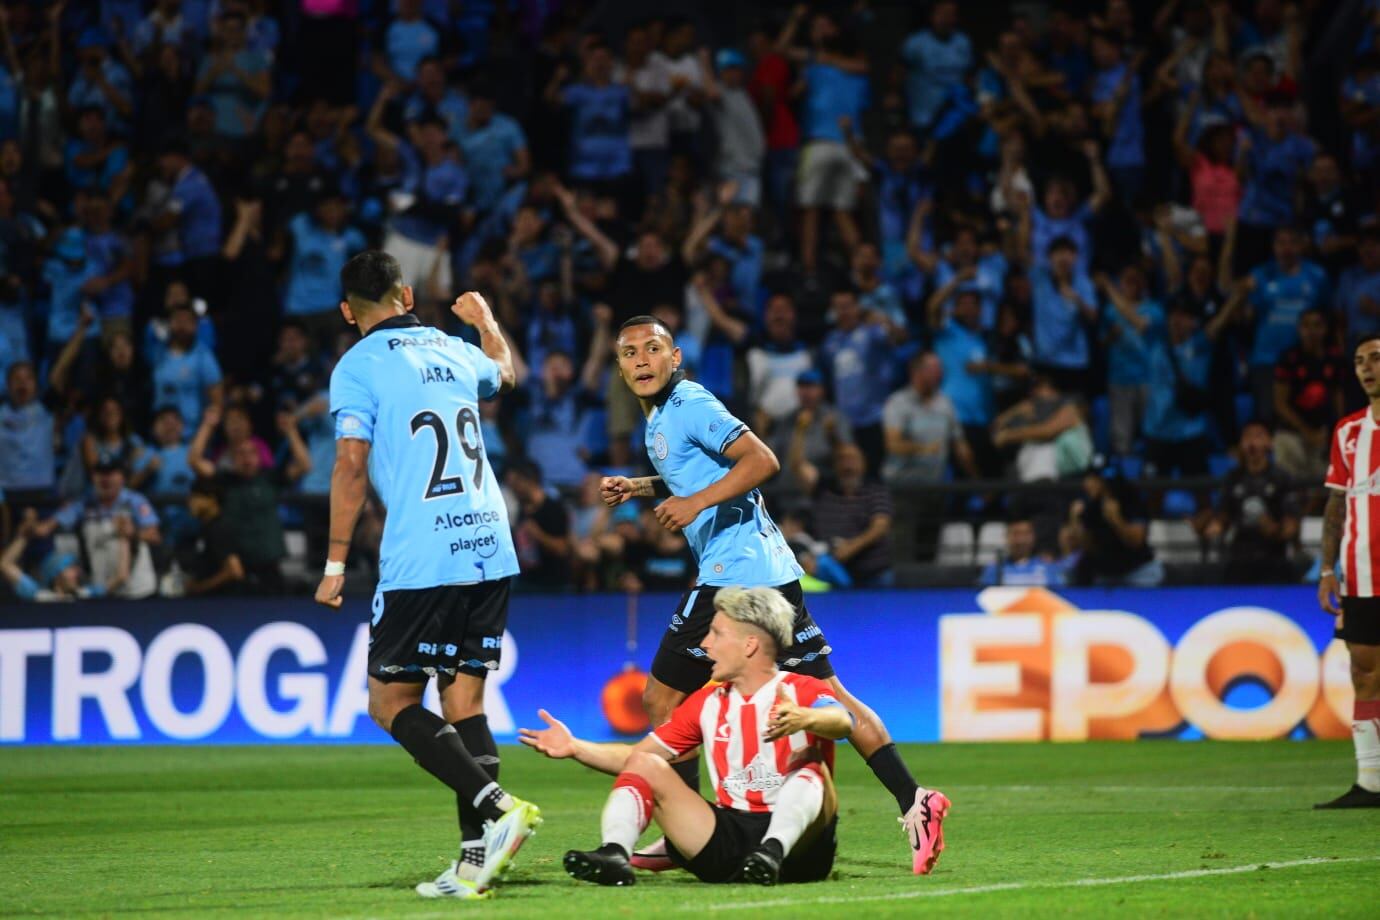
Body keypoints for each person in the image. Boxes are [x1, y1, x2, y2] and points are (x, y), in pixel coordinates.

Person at [598, 315, 946, 875]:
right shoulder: (661, 419)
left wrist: (694, 506)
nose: (641, 360)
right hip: (768, 572)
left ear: (676, 357)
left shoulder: (690, 403)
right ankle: (916, 800)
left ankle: (685, 829)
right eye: (629, 352)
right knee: (832, 696)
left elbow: (762, 460)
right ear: (618, 366)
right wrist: (639, 486)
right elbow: (695, 471)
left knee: (662, 700)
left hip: (736, 577)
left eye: (653, 348)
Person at [312, 251, 542, 897]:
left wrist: (334, 563)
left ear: (346, 311)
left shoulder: (355, 368)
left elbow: (350, 467)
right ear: (405, 294)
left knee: (389, 703)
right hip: (491, 541)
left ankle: (498, 809)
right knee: (463, 699)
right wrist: (487, 318)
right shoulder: (450, 345)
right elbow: (504, 372)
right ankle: (477, 860)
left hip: (425, 553)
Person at [520, 588, 891, 886]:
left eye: (716, 633)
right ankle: (615, 854)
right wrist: (574, 747)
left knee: (811, 770)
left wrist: (805, 717)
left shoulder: (801, 688)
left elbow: (842, 721)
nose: (706, 643)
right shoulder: (706, 702)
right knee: (646, 763)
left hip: (800, 854)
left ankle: (773, 851)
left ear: (749, 645)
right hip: (729, 838)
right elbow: (635, 757)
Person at [1316, 332, 1380, 809]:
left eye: (1376, 359)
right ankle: (1371, 782)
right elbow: (1336, 507)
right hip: (1360, 574)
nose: (1367, 368)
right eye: (1360, 361)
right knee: (1364, 673)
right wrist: (1326, 569)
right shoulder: (1348, 431)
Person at [1202, 421, 1301, 584]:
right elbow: (1222, 517)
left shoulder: (1282, 478)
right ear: (1241, 444)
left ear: (1269, 443)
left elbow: (1291, 525)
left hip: (1274, 558)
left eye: (1258, 436)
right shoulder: (1232, 478)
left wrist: (1275, 530)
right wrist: (1211, 527)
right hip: (1240, 557)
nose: (1252, 443)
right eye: (1247, 437)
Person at [978, 516, 1066, 587]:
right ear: (1007, 537)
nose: (1021, 540)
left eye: (1026, 534)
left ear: (1033, 537)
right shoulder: (995, 569)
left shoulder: (1048, 567)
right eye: (1016, 534)